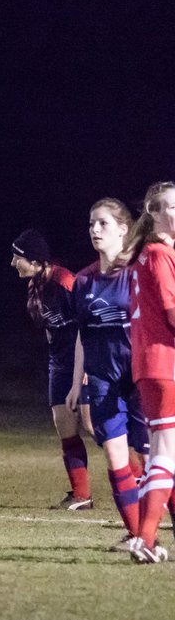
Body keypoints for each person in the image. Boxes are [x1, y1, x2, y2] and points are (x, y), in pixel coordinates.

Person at [65, 199, 147, 552]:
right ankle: (136, 535)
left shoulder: (139, 273)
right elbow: (82, 334)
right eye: (91, 224)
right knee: (116, 457)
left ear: (123, 229)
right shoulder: (83, 281)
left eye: (102, 224)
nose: (94, 230)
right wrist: (75, 380)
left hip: (141, 378)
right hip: (102, 381)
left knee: (154, 458)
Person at [10, 228, 92, 510]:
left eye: (17, 257)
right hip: (58, 363)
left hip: (84, 361)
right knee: (65, 428)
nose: (12, 263)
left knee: (96, 428)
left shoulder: (65, 281)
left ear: (35, 260)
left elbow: (87, 324)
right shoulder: (36, 285)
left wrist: (87, 366)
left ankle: (144, 480)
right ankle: (82, 495)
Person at [125, 181, 175, 564]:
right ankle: (144, 538)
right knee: (165, 456)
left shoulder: (145, 254)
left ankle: (145, 537)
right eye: (171, 207)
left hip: (149, 364)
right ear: (154, 213)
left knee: (162, 453)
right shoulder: (158, 254)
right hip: (164, 363)